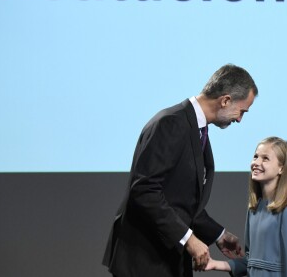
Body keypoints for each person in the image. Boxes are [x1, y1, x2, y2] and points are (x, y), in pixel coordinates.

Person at [102, 64, 258, 277]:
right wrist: (189, 238)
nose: (240, 119)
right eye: (242, 111)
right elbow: (144, 191)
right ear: (225, 100)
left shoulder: (197, 128)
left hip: (166, 259)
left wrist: (219, 235)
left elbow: (181, 200)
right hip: (145, 260)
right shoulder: (172, 123)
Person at [204, 136, 287, 276]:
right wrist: (215, 264)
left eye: (265, 159)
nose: (256, 163)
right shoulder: (254, 208)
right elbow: (250, 261)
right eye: (255, 156)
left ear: (282, 168)